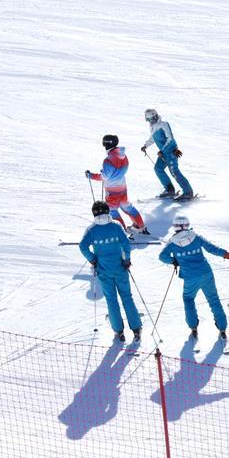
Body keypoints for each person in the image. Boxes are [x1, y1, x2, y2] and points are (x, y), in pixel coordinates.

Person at [158, 215, 229, 338]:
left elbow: (162, 257)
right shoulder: (195, 237)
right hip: (206, 273)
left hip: (190, 277)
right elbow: (212, 248)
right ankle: (222, 328)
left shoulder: (172, 243)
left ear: (175, 227)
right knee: (213, 299)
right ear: (187, 224)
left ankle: (193, 326)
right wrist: (228, 255)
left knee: (188, 299)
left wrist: (174, 261)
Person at [78, 201, 142, 342]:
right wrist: (127, 260)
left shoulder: (91, 230)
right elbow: (126, 244)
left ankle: (119, 330)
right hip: (120, 268)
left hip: (103, 270)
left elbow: (83, 246)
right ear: (107, 211)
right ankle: (136, 328)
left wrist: (93, 259)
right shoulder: (116, 226)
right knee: (127, 297)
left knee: (111, 299)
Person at [86, 134, 148, 235]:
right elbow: (118, 170)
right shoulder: (123, 156)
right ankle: (140, 227)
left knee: (112, 211)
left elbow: (103, 177)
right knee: (128, 207)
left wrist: (91, 175)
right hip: (123, 189)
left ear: (106, 144)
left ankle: (122, 233)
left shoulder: (108, 160)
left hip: (112, 191)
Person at [141, 109, 194, 200]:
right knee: (158, 168)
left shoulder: (163, 124)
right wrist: (145, 145)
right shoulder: (153, 127)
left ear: (156, 116)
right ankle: (169, 189)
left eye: (153, 118)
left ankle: (188, 192)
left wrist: (163, 150)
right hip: (163, 153)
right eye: (149, 119)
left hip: (171, 151)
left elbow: (170, 139)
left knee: (174, 172)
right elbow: (153, 139)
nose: (152, 121)